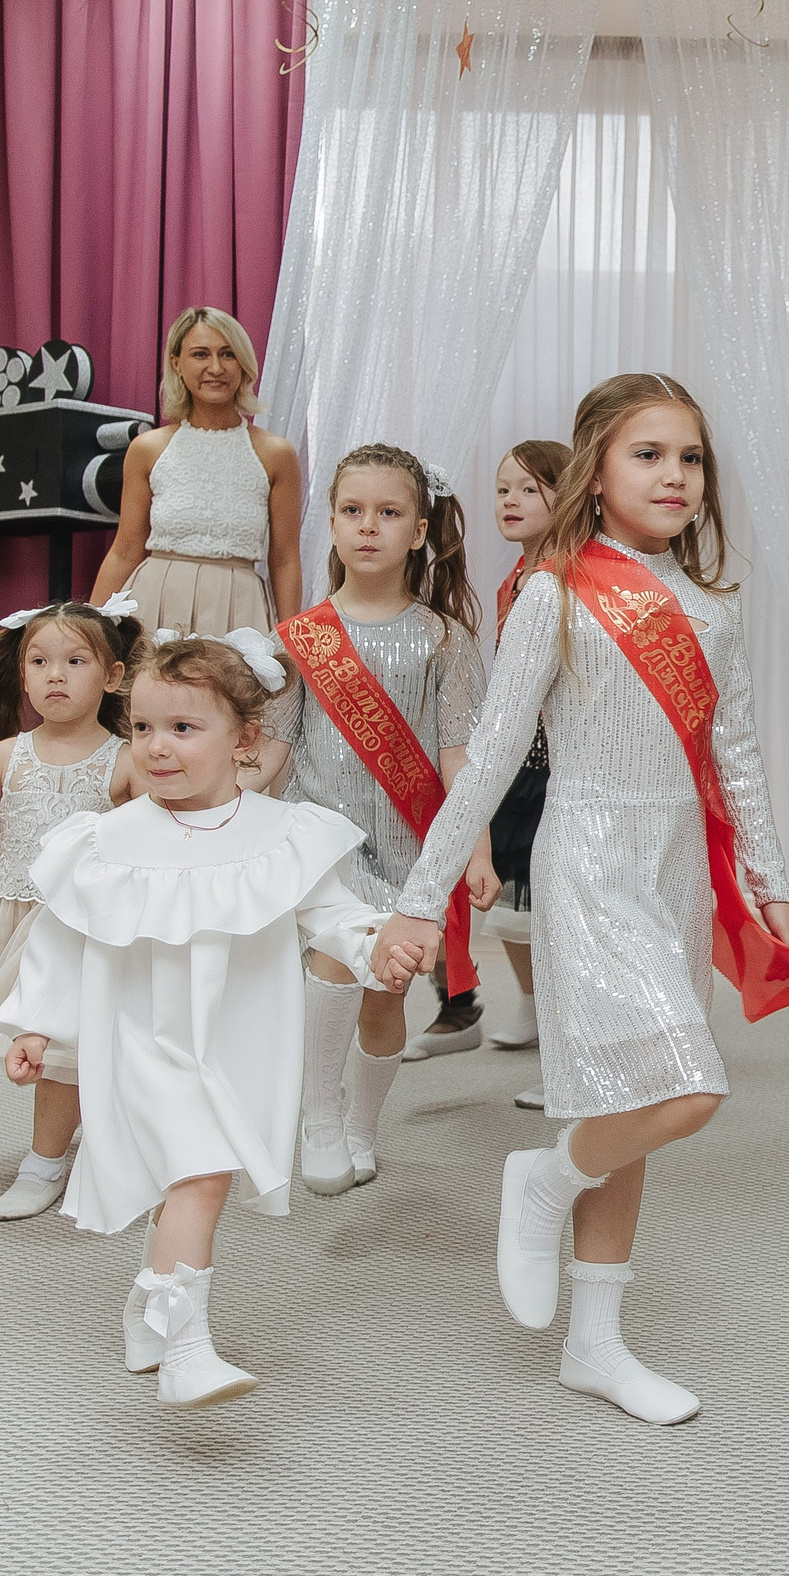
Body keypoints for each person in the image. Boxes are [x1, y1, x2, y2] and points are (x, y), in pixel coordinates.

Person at [372, 373, 789, 1426]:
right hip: (589, 855)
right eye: (647, 453)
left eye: (690, 457)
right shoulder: (558, 591)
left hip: (676, 871)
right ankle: (542, 1177)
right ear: (596, 470)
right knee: (689, 1086)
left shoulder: (713, 610)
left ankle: (594, 1345)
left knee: (634, 1098)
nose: (673, 474)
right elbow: (488, 760)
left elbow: (737, 756)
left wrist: (772, 881)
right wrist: (422, 898)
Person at [0, 632, 388, 1406]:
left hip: (238, 1039)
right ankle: (187, 1349)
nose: (157, 748)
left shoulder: (283, 835)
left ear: (244, 740)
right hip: (139, 1037)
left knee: (184, 1180)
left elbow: (333, 915)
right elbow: (60, 937)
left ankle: (148, 1301)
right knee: (201, 1175)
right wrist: (36, 1023)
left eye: (182, 728)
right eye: (141, 728)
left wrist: (378, 948)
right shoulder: (106, 842)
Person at [271, 443, 491, 1197]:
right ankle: (320, 1120)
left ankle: (362, 1125)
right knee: (336, 956)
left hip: (408, 846)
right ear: (329, 524)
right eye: (353, 511)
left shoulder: (444, 640)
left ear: (419, 530)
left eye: (389, 513)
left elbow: (464, 758)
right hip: (319, 838)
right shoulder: (300, 637)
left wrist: (477, 851)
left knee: (386, 991)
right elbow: (273, 750)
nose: (369, 526)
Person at [0, 598, 144, 1220]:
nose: (55, 675)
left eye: (75, 661)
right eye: (40, 661)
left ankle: (60, 1158)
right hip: (14, 923)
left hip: (88, 934)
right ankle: (55, 1159)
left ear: (113, 677)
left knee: (78, 1051)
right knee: (52, 1054)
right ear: (21, 674)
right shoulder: (6, 756)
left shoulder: (124, 761)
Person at [89, 307, 303, 634]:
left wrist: (291, 641)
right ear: (176, 363)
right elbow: (125, 551)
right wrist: (90, 632)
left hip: (239, 613)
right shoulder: (147, 449)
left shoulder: (276, 454)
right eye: (200, 354)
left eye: (228, 354)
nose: (215, 368)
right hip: (153, 605)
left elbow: (285, 560)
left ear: (244, 363)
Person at [487, 439, 569, 1110]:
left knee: (556, 911)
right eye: (503, 489)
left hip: (566, 766)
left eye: (528, 489)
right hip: (520, 761)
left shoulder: (575, 577)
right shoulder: (509, 582)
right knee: (511, 905)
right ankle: (532, 1006)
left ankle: (573, 1052)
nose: (511, 501)